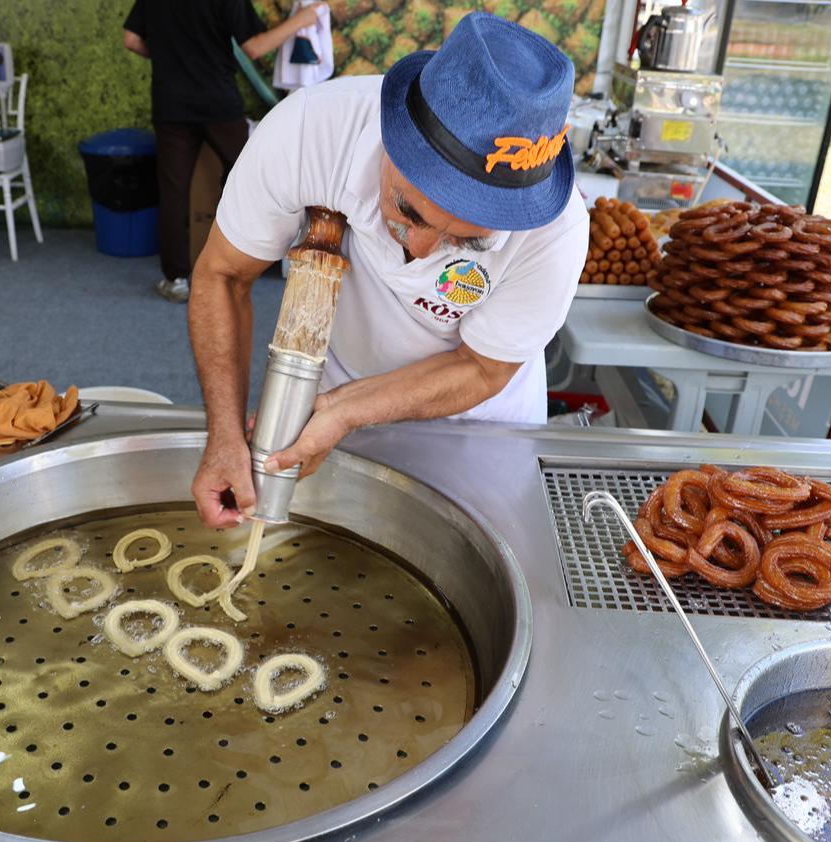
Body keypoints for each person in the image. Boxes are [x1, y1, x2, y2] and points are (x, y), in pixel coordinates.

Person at [188, 13, 589, 528]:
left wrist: (349, 410)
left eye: (465, 240)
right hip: (326, 395)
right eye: (407, 211)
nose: (421, 250)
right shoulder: (313, 129)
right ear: (392, 133)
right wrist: (223, 432)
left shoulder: (556, 233)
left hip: (475, 424)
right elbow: (224, 274)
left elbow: (484, 368)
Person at [122, 0, 326, 304]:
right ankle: (240, 264)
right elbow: (255, 47)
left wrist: (168, 57)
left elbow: (132, 39)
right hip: (218, 102)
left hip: (170, 102)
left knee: (174, 191)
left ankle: (176, 279)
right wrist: (303, 20)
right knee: (247, 181)